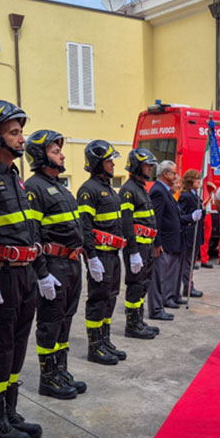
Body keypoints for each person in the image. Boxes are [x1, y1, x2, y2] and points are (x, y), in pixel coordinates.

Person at [0, 100, 43, 438]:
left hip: (25, 273)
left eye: (20, 131)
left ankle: (9, 412)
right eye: (13, 132)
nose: (21, 138)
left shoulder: (15, 177)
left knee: (16, 349)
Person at [23, 130, 84, 401]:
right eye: (55, 151)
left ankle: (61, 370)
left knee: (65, 320)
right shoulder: (34, 187)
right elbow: (32, 234)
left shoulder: (61, 186)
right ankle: (48, 378)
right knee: (49, 322)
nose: (61, 155)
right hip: (54, 266)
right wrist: (42, 273)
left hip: (71, 264)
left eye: (60, 150)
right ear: (40, 155)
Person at [77, 139, 127, 363]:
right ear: (97, 163)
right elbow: (85, 227)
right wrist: (92, 258)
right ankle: (94, 346)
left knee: (111, 298)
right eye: (109, 160)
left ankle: (105, 340)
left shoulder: (109, 188)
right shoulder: (88, 190)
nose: (113, 164)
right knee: (97, 300)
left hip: (113, 256)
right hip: (101, 256)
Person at [148, 160, 200, 318]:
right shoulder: (158, 191)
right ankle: (159, 306)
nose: (177, 176)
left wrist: (190, 218)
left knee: (170, 273)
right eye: (174, 173)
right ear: (165, 174)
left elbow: (174, 217)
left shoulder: (166, 191)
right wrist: (156, 242)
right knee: (160, 277)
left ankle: (168, 299)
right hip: (164, 241)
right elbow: (155, 219)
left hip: (174, 240)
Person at [118, 148, 161, 340]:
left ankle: (139, 320)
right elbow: (126, 222)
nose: (150, 168)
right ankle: (132, 325)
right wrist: (133, 251)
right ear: (136, 166)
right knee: (135, 285)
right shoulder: (128, 190)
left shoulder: (141, 188)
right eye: (147, 165)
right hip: (137, 248)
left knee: (144, 283)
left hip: (147, 246)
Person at [177, 169, 204, 299]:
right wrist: (191, 217)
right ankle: (188, 287)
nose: (199, 181)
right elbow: (180, 216)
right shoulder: (186, 196)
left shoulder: (195, 194)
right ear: (190, 181)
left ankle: (189, 285)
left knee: (192, 262)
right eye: (196, 179)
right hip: (189, 234)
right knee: (188, 262)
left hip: (196, 233)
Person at [199, 177, 218, 267]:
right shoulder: (197, 190)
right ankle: (194, 259)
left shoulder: (208, 188)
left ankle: (204, 259)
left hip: (208, 214)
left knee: (207, 238)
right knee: (198, 238)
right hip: (200, 215)